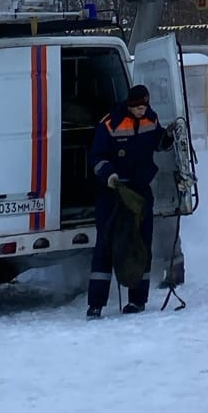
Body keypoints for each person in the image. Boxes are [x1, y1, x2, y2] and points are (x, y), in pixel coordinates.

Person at [86, 83, 174, 318]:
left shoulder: (150, 119)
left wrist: (168, 137)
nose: (142, 111)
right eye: (138, 107)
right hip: (113, 192)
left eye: (145, 106)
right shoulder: (110, 123)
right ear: (129, 105)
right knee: (105, 245)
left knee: (141, 245)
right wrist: (109, 175)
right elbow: (96, 157)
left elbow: (158, 143)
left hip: (140, 192)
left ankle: (137, 300)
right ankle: (96, 303)